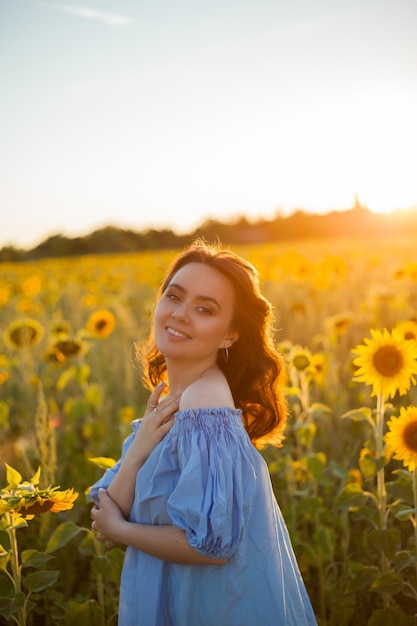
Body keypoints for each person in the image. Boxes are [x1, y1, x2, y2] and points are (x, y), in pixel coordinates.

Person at [89, 240, 317, 626]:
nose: (180, 315)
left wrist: (122, 530)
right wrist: (142, 444)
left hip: (213, 605)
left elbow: (211, 544)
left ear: (230, 335)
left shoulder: (205, 402)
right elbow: (107, 508)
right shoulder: (172, 401)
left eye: (204, 309)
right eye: (174, 296)